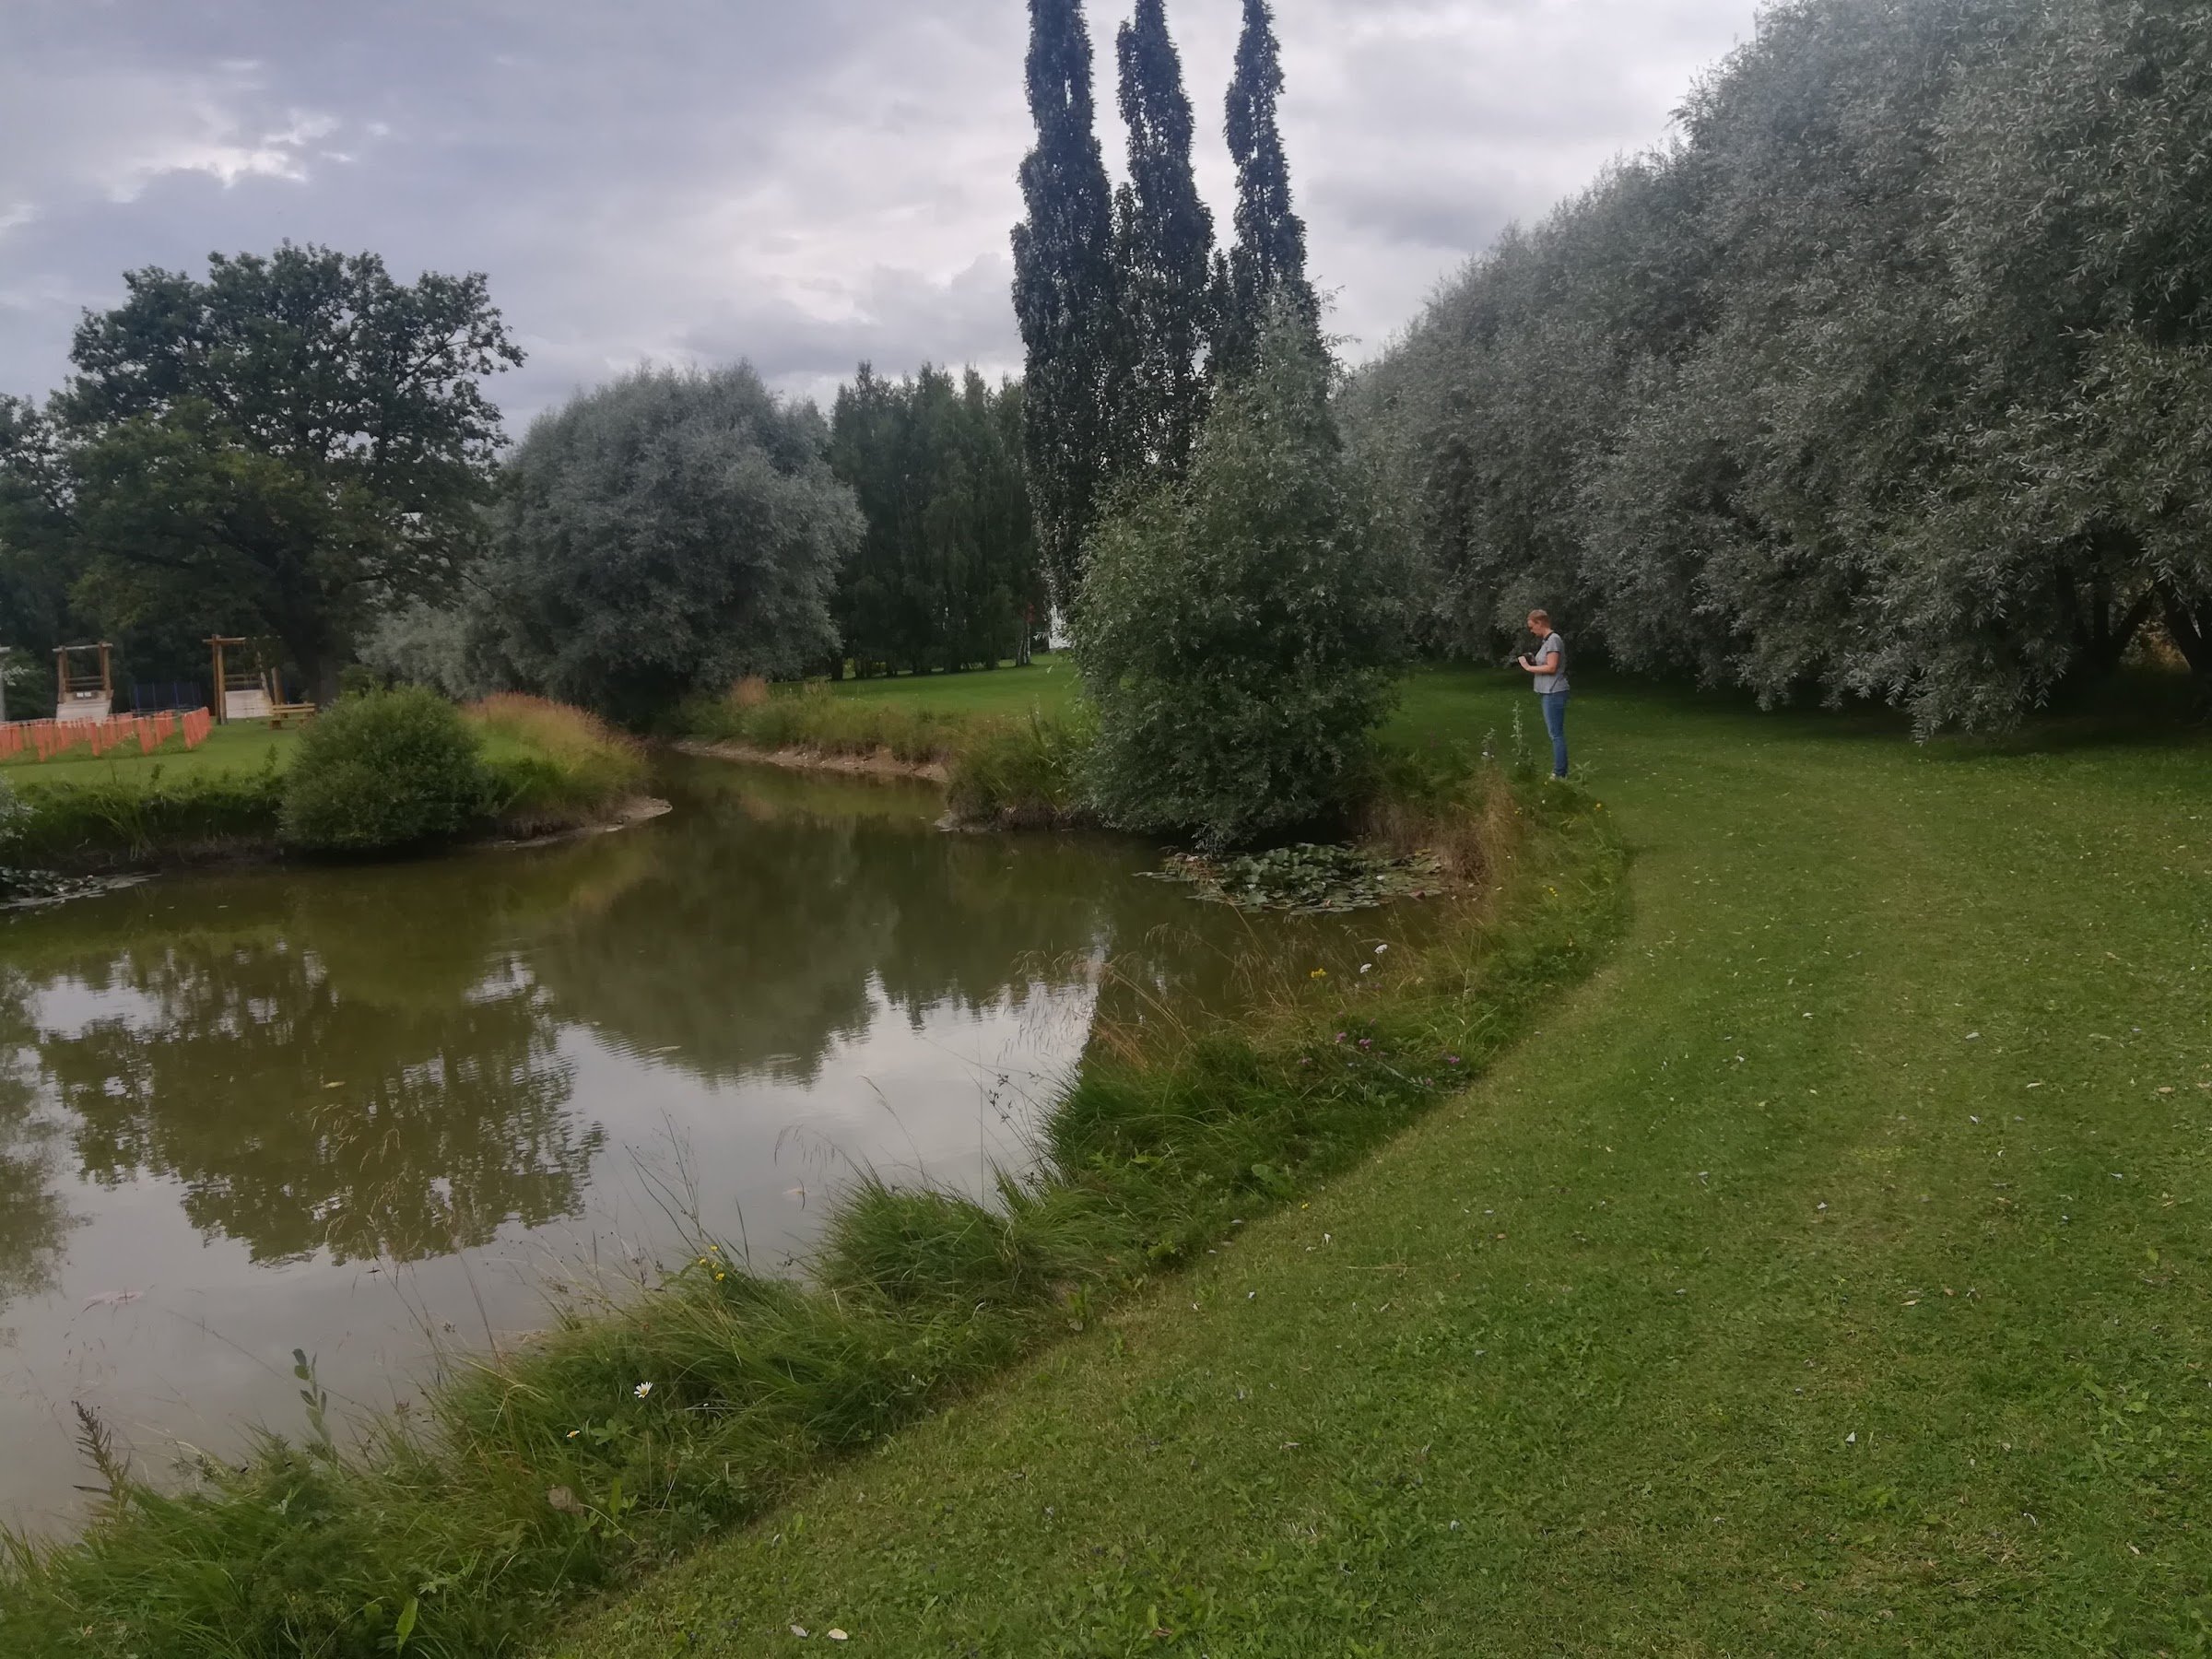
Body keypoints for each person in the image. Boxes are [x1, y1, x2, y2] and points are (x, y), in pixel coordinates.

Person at [1514, 608, 1570, 778]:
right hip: (1547, 691)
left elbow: (1552, 667)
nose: (1532, 631)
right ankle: (1560, 771)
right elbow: (1545, 662)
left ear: (1540, 623)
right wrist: (1533, 660)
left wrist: (1528, 667)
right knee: (1554, 733)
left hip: (1554, 690)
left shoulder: (1553, 640)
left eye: (1532, 627)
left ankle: (1559, 772)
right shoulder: (1547, 642)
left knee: (1556, 734)